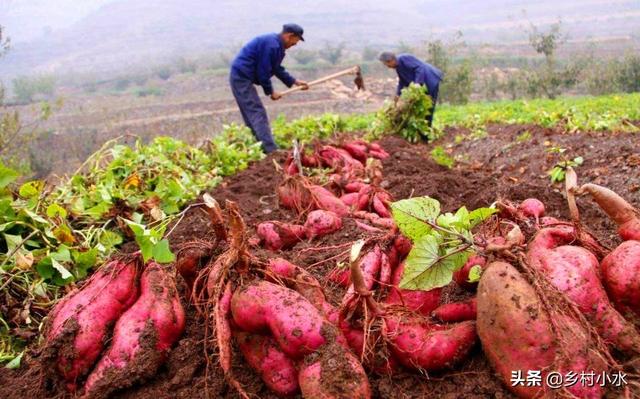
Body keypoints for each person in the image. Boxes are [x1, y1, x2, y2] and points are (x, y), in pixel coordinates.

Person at [229, 24, 309, 153]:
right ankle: (271, 150)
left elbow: (276, 68)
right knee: (256, 112)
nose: (295, 44)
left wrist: (294, 81)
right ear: (289, 36)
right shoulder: (271, 45)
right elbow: (263, 71)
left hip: (244, 76)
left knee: (252, 113)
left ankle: (260, 146)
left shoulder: (277, 46)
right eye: (296, 41)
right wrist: (271, 92)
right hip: (241, 76)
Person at [379, 51, 443, 129]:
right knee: (419, 107)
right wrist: (398, 95)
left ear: (391, 60)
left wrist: (417, 83)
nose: (387, 66)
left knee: (429, 106)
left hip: (430, 79)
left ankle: (427, 130)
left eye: (387, 64)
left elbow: (420, 67)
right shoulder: (398, 68)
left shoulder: (404, 58)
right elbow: (402, 81)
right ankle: (422, 129)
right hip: (422, 85)